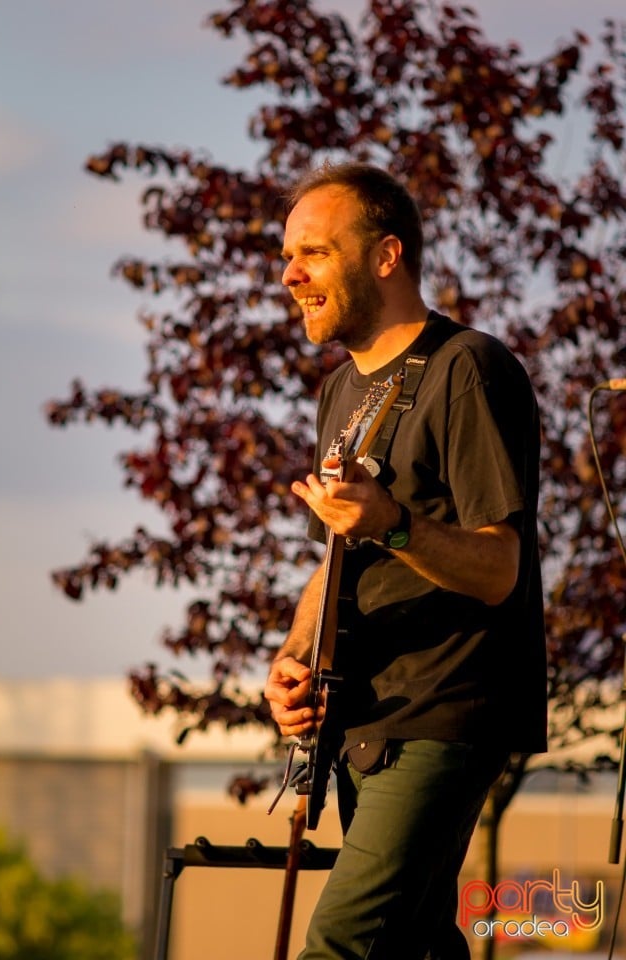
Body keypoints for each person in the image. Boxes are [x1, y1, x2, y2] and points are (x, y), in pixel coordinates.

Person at [264, 162, 547, 960]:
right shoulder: (339, 394)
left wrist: (393, 523)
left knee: (343, 941)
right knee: (418, 943)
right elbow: (341, 554)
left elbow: (499, 569)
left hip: (445, 709)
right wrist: (291, 660)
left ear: (387, 256)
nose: (290, 275)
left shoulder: (469, 368)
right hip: (363, 714)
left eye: (315, 253)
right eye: (288, 256)